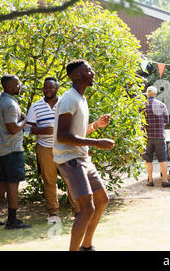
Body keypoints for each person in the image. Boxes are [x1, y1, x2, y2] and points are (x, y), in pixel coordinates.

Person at [53, 59, 114, 251]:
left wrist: (96, 126)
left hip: (82, 158)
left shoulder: (81, 98)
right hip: (70, 160)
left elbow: (76, 134)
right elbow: (62, 136)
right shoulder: (69, 99)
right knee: (87, 208)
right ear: (77, 75)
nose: (93, 72)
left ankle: (86, 247)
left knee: (102, 199)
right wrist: (98, 143)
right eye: (88, 70)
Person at [26, 77, 79, 223]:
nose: (48, 89)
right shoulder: (36, 106)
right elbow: (26, 130)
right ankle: (54, 213)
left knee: (71, 179)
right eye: (45, 87)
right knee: (49, 181)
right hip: (44, 148)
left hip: (65, 148)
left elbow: (75, 125)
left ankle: (78, 211)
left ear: (57, 88)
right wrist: (42, 130)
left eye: (51, 87)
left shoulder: (65, 104)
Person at [0, 75, 31, 229]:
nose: (19, 85)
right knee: (12, 183)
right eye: (17, 83)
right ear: (10, 87)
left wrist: (21, 118)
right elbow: (13, 128)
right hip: (11, 149)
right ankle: (12, 220)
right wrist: (26, 121)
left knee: (3, 181)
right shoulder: (10, 104)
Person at [142, 86, 170, 188]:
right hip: (159, 136)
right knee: (163, 159)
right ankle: (165, 181)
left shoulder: (142, 106)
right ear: (155, 94)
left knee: (148, 159)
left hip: (146, 137)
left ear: (147, 95)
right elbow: (166, 120)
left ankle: (150, 180)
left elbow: (138, 121)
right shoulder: (162, 105)